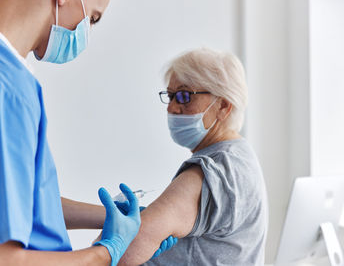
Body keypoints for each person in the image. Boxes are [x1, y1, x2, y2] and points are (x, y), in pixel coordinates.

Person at [0, 0, 171, 265]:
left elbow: (14, 203)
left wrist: (109, 217)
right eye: (93, 18)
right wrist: (107, 252)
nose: (86, 32)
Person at [114, 48, 269, 265]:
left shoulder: (213, 170)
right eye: (170, 96)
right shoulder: (241, 155)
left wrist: (108, 236)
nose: (172, 108)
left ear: (223, 106)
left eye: (184, 96)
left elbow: (122, 252)